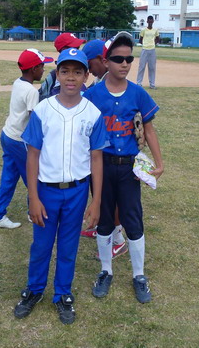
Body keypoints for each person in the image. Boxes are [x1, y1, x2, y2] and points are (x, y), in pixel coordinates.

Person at [14, 48, 106, 325]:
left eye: (78, 71)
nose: (71, 77)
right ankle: (34, 289)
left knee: (68, 246)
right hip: (46, 190)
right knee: (41, 245)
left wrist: (96, 201)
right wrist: (33, 196)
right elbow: (32, 154)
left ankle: (63, 294)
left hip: (77, 190)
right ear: (57, 74)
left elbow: (96, 157)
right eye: (65, 71)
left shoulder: (92, 112)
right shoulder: (43, 110)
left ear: (86, 76)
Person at [83, 32, 164, 304]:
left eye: (129, 58)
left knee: (132, 219)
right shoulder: (92, 95)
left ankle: (139, 275)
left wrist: (159, 162)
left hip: (129, 167)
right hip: (101, 167)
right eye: (118, 59)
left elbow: (149, 130)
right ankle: (105, 271)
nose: (125, 64)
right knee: (104, 220)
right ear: (106, 62)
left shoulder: (138, 93)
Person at [0, 49, 54, 229]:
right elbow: (35, 120)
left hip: (7, 135)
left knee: (9, 178)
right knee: (34, 177)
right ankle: (33, 212)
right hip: (19, 140)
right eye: (42, 66)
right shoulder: (31, 92)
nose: (43, 70)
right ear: (33, 69)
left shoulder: (18, 83)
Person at [80, 39, 129, 260]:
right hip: (99, 154)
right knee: (101, 195)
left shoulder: (114, 83)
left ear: (102, 60)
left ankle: (118, 239)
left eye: (90, 64)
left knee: (115, 198)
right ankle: (103, 226)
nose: (89, 70)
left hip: (115, 155)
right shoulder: (98, 86)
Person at [38, 32, 86, 101]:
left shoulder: (81, 72)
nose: (77, 50)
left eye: (77, 48)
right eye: (74, 47)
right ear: (63, 50)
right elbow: (41, 95)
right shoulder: (53, 75)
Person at [136, 16, 160, 90]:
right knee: (141, 67)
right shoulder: (143, 30)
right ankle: (139, 83)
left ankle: (152, 84)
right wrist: (145, 44)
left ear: (153, 21)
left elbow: (158, 38)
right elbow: (140, 39)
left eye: (151, 20)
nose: (150, 22)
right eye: (149, 20)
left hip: (152, 50)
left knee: (152, 67)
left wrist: (153, 43)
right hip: (145, 49)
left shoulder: (155, 30)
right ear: (147, 21)